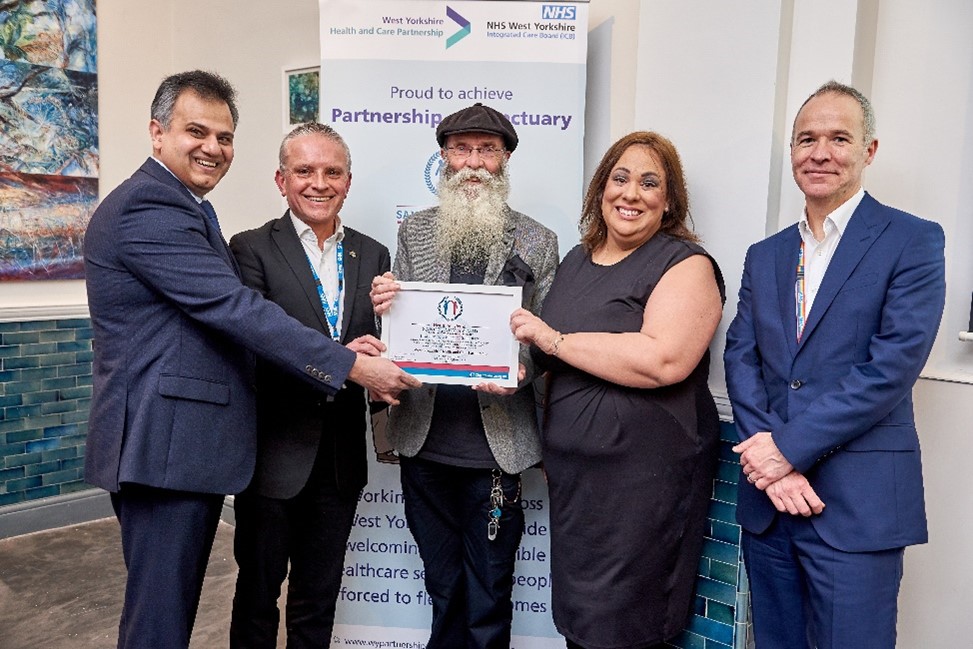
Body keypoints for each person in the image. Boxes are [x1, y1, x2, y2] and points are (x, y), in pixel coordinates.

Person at [82, 71, 419, 649]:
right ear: (157, 133)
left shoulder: (185, 205)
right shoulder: (149, 207)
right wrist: (349, 366)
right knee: (159, 622)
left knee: (168, 615)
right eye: (196, 131)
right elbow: (234, 308)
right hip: (164, 448)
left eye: (224, 136)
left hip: (185, 448)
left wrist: (357, 344)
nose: (213, 147)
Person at [724, 80, 946, 649]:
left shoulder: (913, 241)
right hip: (771, 507)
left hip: (856, 506)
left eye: (839, 138)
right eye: (806, 139)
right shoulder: (765, 254)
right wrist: (771, 464)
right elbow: (740, 357)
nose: (819, 152)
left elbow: (890, 369)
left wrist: (785, 452)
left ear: (868, 150)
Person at [509, 131, 724, 649]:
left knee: (627, 629)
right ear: (601, 188)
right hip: (579, 487)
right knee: (582, 626)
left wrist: (552, 339)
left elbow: (663, 361)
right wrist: (503, 370)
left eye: (650, 183)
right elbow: (545, 356)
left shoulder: (685, 264)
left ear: (669, 201)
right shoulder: (577, 261)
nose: (631, 193)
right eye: (620, 178)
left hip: (644, 485)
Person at [369, 103, 559, 649]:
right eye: (461, 149)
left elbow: (549, 343)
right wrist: (383, 303)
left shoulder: (538, 241)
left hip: (495, 452)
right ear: (445, 158)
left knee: (489, 593)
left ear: (504, 161)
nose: (473, 163)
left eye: (487, 151)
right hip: (424, 444)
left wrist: (518, 374)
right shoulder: (416, 233)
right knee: (443, 587)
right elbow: (399, 330)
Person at [226, 123, 388, 647]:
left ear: (348, 181)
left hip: (341, 462)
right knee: (256, 597)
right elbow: (256, 343)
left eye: (332, 172)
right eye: (304, 171)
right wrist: (343, 359)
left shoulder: (375, 255)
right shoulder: (250, 249)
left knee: (317, 603)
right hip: (273, 458)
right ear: (281, 179)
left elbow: (380, 345)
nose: (319, 183)